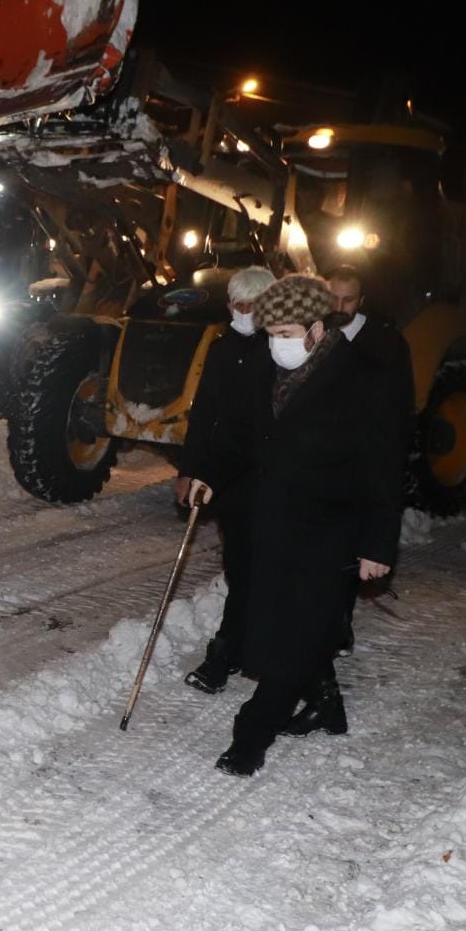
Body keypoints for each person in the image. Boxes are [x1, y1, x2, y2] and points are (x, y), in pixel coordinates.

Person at [187, 275, 407, 777]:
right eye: (270, 333)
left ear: (315, 327)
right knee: (284, 628)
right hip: (272, 523)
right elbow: (246, 438)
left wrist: (377, 543)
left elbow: (384, 468)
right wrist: (210, 476)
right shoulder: (270, 370)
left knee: (296, 638)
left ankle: (251, 737)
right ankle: (328, 705)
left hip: (330, 530)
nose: (276, 343)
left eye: (285, 332)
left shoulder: (363, 380)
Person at [176, 265, 277, 694]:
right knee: (239, 565)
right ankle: (235, 648)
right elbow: (205, 416)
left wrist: (211, 474)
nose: (242, 312)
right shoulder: (220, 349)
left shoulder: (281, 352)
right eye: (236, 304)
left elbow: (255, 430)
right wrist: (189, 470)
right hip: (230, 482)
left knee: (265, 569)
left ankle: (240, 650)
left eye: (252, 306)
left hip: (270, 479)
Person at [327, 264, 416, 654]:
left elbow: (399, 410)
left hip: (363, 464)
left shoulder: (386, 343)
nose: (340, 306)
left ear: (361, 300)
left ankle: (339, 623)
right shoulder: (312, 334)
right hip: (321, 463)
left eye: (348, 299)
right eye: (333, 298)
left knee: (348, 550)